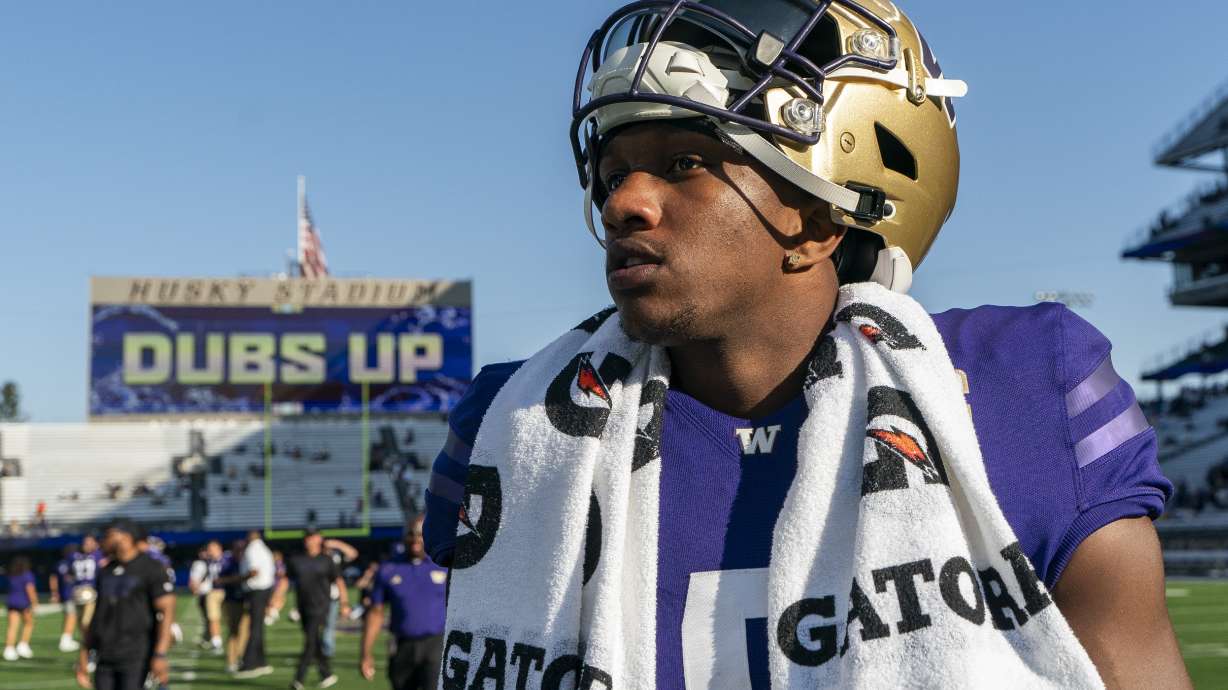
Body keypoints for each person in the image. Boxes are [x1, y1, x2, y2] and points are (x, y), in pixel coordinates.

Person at [423, 1, 1191, 687]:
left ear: (818, 222)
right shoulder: (515, 424)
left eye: (685, 163)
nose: (623, 201)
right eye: (614, 171)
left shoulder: (1026, 387)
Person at [77, 519, 174, 690]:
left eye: (108, 535)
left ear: (126, 537)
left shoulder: (151, 567)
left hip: (137, 654)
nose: (103, 541)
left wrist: (160, 654)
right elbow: (98, 615)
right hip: (105, 655)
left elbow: (166, 611)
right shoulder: (105, 571)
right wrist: (85, 653)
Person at [360, 516, 446, 690]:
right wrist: (365, 653)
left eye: (420, 534)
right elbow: (376, 613)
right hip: (402, 645)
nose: (415, 539)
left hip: (436, 644)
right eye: (410, 534)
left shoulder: (443, 564)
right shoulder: (388, 569)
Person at [287, 529, 346, 689]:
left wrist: (344, 603)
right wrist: (276, 600)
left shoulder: (327, 560)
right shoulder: (296, 559)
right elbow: (286, 580)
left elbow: (339, 581)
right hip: (303, 606)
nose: (309, 540)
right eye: (307, 537)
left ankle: (298, 679)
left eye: (312, 537)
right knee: (314, 641)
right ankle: (327, 674)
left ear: (319, 539)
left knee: (310, 642)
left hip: (321, 606)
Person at [235, 529, 275, 678]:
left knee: (255, 628)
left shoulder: (252, 549)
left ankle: (249, 664)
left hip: (257, 591)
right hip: (264, 590)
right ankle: (261, 662)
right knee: (257, 627)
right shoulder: (264, 549)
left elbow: (253, 572)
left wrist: (235, 579)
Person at [215, 539, 250, 673]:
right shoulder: (228, 563)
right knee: (233, 631)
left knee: (245, 631)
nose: (240, 552)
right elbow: (219, 580)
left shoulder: (247, 562)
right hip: (232, 600)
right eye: (238, 549)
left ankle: (241, 657)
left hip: (245, 600)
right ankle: (231, 660)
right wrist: (240, 578)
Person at [320, 538, 357, 659]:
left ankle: (327, 652)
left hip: (332, 595)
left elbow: (353, 553)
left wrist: (337, 544)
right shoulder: (317, 557)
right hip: (317, 596)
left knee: (329, 626)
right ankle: (317, 650)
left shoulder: (335, 557)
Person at [189, 540, 224, 652]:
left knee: (219, 619)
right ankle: (215, 642)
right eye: (208, 549)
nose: (209, 552)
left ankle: (209, 638)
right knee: (212, 618)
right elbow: (194, 581)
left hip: (226, 592)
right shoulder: (204, 563)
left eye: (212, 549)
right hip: (210, 593)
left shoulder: (226, 560)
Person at [3, 555, 37, 660]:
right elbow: (30, 589)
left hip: (11, 602)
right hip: (23, 603)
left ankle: (9, 649)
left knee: (12, 627)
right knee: (29, 624)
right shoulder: (27, 575)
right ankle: (23, 644)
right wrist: (34, 602)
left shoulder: (12, 575)